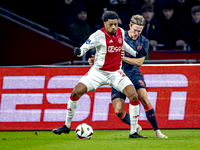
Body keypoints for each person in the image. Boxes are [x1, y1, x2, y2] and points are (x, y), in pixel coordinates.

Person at [52, 11, 146, 138]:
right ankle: (66, 126)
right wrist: (79, 52)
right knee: (76, 92)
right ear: (105, 24)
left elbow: (123, 45)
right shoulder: (98, 35)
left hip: (116, 73)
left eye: (116, 24)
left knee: (133, 96)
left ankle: (133, 132)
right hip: (97, 73)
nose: (114, 27)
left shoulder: (121, 32)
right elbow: (84, 47)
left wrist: (134, 53)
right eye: (111, 25)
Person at [88, 14, 168, 138]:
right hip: (117, 75)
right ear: (129, 26)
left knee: (142, 96)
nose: (136, 33)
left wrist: (123, 58)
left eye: (139, 31)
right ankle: (135, 126)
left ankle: (157, 131)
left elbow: (139, 62)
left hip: (133, 73)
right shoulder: (117, 36)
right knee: (119, 111)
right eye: (134, 30)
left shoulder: (144, 42)